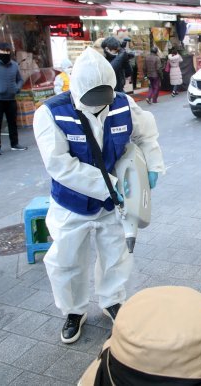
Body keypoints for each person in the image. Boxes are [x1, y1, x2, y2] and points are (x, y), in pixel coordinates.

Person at [32, 47, 165, 344]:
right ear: (77, 89)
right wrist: (110, 184)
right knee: (65, 261)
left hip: (112, 205)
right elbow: (59, 165)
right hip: (71, 204)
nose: (99, 105)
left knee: (115, 254)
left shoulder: (123, 104)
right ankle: (73, 311)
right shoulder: (50, 113)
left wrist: (154, 166)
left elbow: (147, 135)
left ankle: (111, 300)